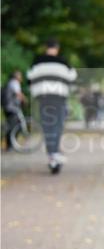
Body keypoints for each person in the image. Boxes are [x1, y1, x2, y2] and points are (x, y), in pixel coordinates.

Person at [27, 39, 77, 173]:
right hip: (59, 97)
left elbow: (29, 78)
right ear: (57, 48)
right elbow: (72, 78)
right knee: (57, 125)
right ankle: (54, 153)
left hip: (43, 98)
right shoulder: (63, 62)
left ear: (46, 47)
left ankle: (52, 154)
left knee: (47, 126)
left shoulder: (37, 62)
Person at [3, 70, 25, 151]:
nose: (21, 77)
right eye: (20, 75)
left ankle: (11, 144)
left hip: (8, 108)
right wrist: (24, 100)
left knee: (13, 126)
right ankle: (10, 145)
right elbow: (18, 94)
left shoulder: (10, 83)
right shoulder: (14, 83)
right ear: (16, 76)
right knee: (14, 126)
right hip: (12, 108)